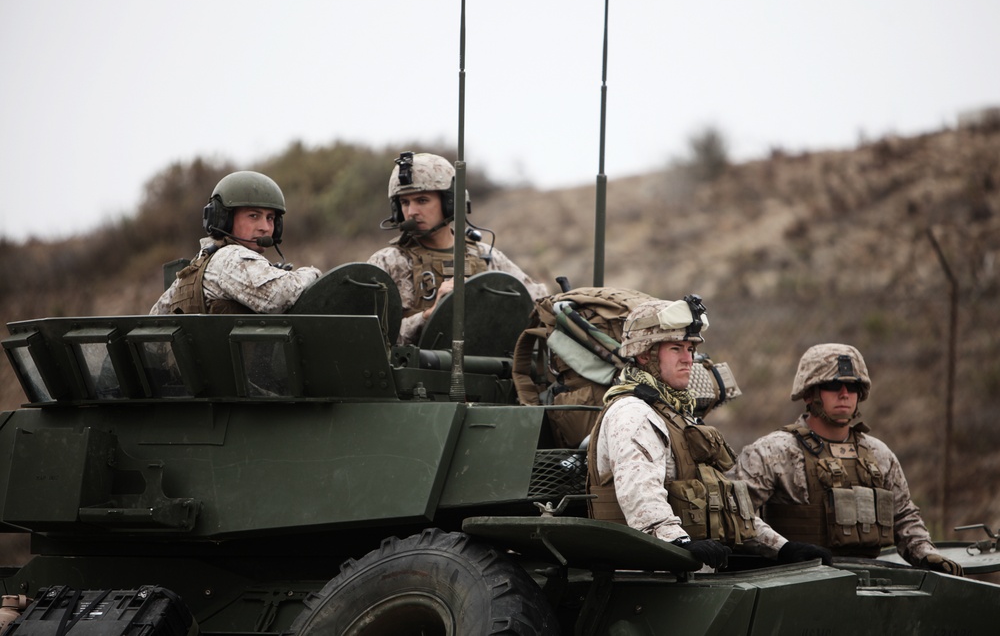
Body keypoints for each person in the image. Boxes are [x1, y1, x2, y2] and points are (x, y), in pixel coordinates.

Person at [586, 297, 829, 570]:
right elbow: (640, 494)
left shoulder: (677, 413)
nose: (688, 359)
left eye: (690, 349)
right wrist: (678, 542)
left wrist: (781, 548)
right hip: (642, 573)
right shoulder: (632, 412)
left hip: (680, 568)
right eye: (676, 349)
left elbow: (721, 501)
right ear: (645, 355)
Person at [729, 343, 964, 575]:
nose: (844, 394)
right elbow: (734, 512)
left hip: (867, 584)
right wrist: (783, 549)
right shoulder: (774, 451)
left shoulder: (878, 454)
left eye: (852, 386)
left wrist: (925, 554)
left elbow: (903, 516)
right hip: (795, 583)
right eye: (833, 385)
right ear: (809, 394)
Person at [367, 152, 548, 345]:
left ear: (450, 203)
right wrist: (428, 316)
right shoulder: (388, 262)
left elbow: (539, 308)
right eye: (404, 202)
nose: (411, 212)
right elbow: (367, 338)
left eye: (422, 200)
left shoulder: (487, 257)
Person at [151, 171, 322, 315]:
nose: (265, 227)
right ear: (224, 219)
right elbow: (278, 297)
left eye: (270, 218)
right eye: (253, 216)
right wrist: (312, 273)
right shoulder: (231, 257)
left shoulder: (200, 263)